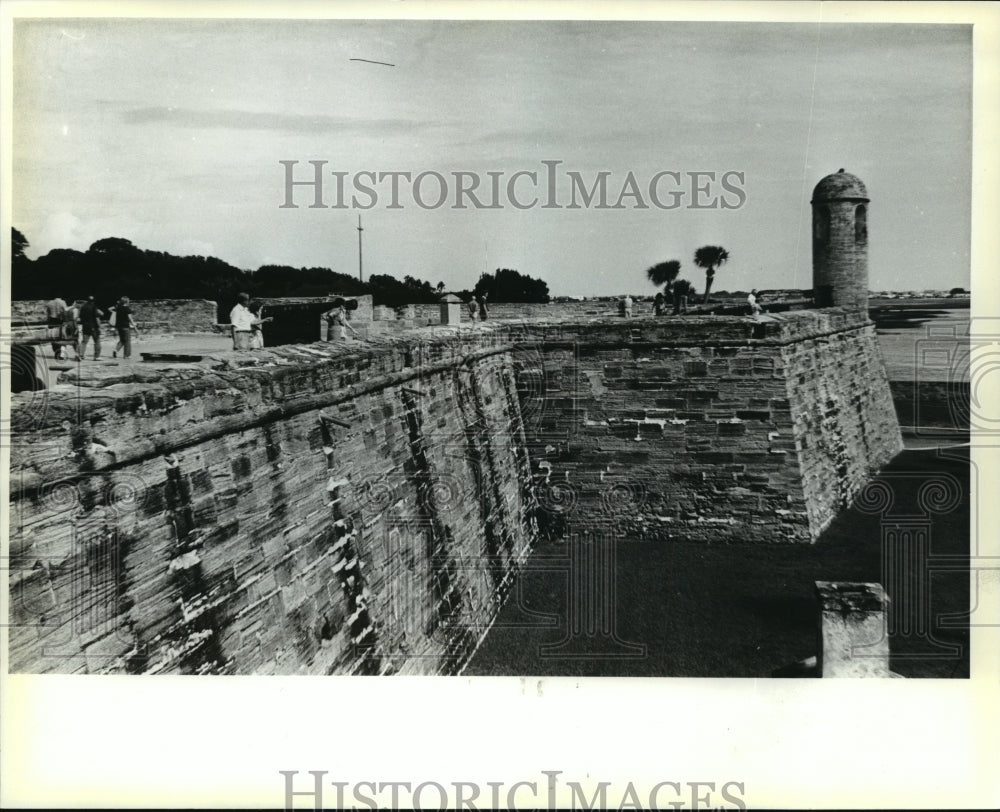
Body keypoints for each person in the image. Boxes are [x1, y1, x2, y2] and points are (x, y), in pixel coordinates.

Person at [77, 296, 105, 360]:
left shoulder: (83, 307)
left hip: (85, 326)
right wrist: (99, 327)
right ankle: (96, 356)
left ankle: (81, 355)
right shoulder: (94, 307)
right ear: (93, 301)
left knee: (84, 341)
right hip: (93, 326)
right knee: (97, 341)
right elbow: (97, 318)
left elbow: (80, 317)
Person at [45, 295, 68, 359]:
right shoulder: (63, 302)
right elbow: (65, 313)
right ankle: (62, 354)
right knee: (63, 337)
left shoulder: (49, 303)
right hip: (60, 321)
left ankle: (56, 352)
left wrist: (48, 323)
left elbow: (48, 315)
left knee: (53, 338)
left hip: (52, 322)